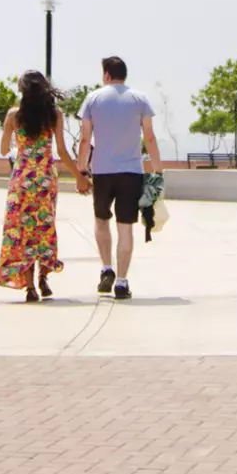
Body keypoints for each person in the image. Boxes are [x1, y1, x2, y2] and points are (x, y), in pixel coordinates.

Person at [76, 55, 161, 300]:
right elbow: (149, 137)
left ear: (106, 74)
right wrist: (158, 170)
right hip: (131, 172)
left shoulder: (93, 98)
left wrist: (82, 169)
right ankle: (122, 282)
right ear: (124, 74)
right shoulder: (140, 99)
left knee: (101, 219)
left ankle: (106, 269)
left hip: (102, 171)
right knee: (125, 227)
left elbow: (85, 138)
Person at [0, 70, 73, 301]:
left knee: (23, 230)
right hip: (45, 178)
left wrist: (14, 138)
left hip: (22, 178)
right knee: (44, 226)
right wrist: (79, 176)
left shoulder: (14, 115)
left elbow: (3, 150)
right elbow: (62, 150)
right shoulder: (54, 115)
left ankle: (30, 287)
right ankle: (43, 277)